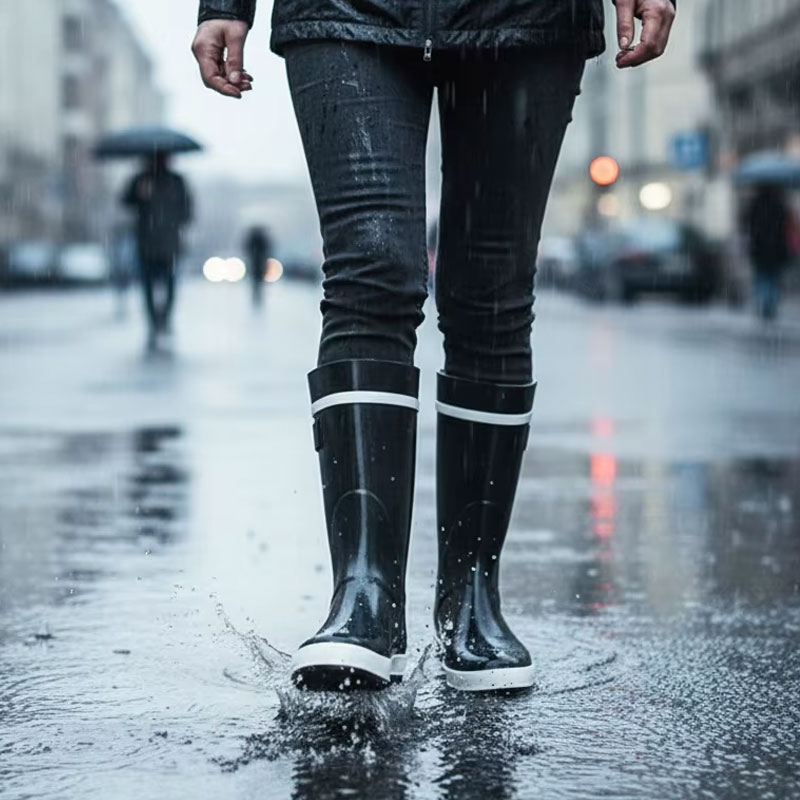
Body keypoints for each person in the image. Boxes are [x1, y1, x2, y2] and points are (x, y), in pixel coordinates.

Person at [192, 0, 675, 692]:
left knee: (492, 286)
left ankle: (471, 598)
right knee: (371, 267)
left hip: (525, 17)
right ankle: (365, 598)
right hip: (343, 13)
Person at [122, 154, 193, 347]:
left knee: (169, 284)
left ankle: (164, 318)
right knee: (148, 285)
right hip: (146, 242)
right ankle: (154, 322)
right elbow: (126, 202)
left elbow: (188, 211)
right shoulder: (141, 180)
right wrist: (139, 194)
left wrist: (174, 221)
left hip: (168, 243)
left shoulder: (177, 181)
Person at [745, 185, 792, 321]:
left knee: (762, 277)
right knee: (772, 277)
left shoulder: (756, 204)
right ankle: (770, 305)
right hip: (775, 249)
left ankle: (763, 303)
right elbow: (785, 225)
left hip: (760, 248)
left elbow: (747, 223)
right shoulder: (780, 205)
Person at [244, 225, 272, 307]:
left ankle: (256, 297)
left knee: (256, 282)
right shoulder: (259, 240)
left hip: (257, 264)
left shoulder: (255, 240)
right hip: (257, 264)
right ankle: (257, 297)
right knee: (257, 282)